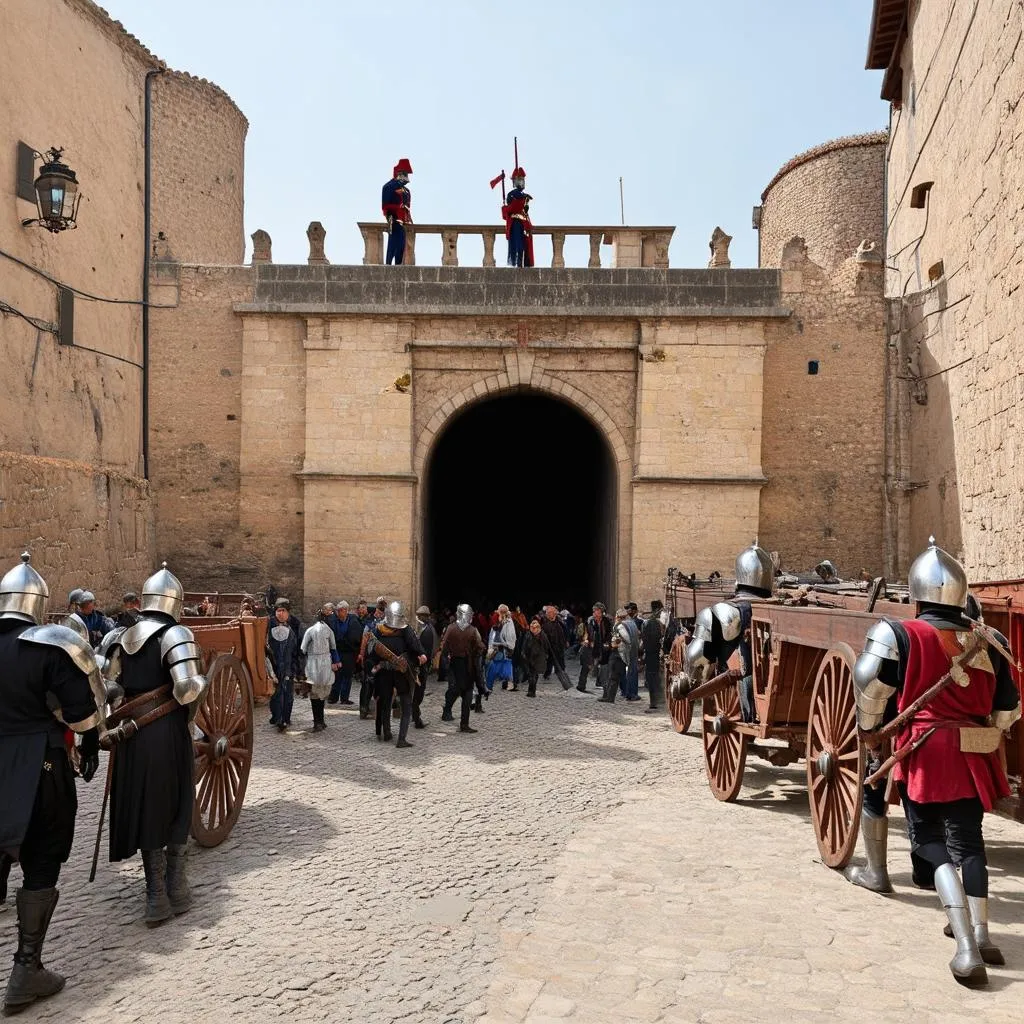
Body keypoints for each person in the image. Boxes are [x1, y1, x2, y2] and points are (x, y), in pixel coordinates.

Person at [848, 539, 1020, 986]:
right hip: (972, 752)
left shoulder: (899, 633)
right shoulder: (990, 639)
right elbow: (1008, 709)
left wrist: (870, 736)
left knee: (927, 841)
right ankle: (982, 933)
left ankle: (965, 946)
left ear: (916, 593)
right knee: (969, 844)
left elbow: (870, 688)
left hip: (924, 749)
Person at [0, 554, 105, 1015]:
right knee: (41, 863)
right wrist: (90, 742)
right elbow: (83, 716)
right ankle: (27, 968)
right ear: (38, 604)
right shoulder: (50, 645)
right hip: (37, 766)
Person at [98, 563, 208, 927]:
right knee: (175, 802)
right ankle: (175, 887)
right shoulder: (176, 634)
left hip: (132, 734)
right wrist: (201, 685)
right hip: (165, 731)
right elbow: (186, 690)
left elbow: (106, 687)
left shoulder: (117, 637)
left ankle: (155, 897)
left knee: (145, 805)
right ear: (174, 602)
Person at [677, 541, 775, 723]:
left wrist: (687, 683)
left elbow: (697, 656)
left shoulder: (724, 610)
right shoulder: (780, 610)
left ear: (740, 574)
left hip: (739, 684)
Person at [366, 602, 425, 748]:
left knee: (385, 702)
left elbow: (372, 651)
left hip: (384, 672)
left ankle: (387, 733)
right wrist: (421, 654)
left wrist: (373, 665)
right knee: (406, 704)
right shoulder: (405, 630)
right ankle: (401, 739)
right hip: (401, 672)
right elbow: (415, 646)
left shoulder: (379, 629)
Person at [440, 604, 485, 731]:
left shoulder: (450, 628)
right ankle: (463, 723)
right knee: (466, 692)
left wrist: (447, 658)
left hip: (454, 662)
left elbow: (443, 646)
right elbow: (480, 647)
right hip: (467, 663)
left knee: (459, 690)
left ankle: (448, 709)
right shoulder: (473, 630)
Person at [301, 606, 340, 732]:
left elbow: (303, 648)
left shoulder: (310, 630)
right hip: (326, 663)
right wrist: (336, 661)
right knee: (322, 692)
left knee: (315, 693)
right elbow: (334, 648)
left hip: (313, 663)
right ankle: (320, 720)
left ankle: (318, 721)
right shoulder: (329, 631)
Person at [266, 602, 300, 731]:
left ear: (288, 612)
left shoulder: (295, 624)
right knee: (276, 693)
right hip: (274, 664)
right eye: (278, 610)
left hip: (288, 664)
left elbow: (297, 650)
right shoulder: (268, 624)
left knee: (287, 693)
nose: (280, 613)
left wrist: (298, 668)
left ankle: (285, 717)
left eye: (283, 610)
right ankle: (277, 717)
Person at [358, 598, 387, 720]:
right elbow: (364, 640)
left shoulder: (383, 623)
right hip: (373, 657)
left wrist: (361, 654)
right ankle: (364, 708)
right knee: (368, 682)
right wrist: (361, 654)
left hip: (378, 657)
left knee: (370, 682)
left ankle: (368, 708)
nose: (378, 613)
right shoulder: (372, 624)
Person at [328, 601, 362, 705]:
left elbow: (356, 637)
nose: (338, 613)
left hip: (349, 652)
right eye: (338, 611)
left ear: (346, 611)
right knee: (336, 675)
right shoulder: (334, 621)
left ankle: (344, 698)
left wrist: (345, 642)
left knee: (347, 675)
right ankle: (333, 697)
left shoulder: (353, 621)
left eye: (341, 611)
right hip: (337, 651)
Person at [598, 609, 635, 703]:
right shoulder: (632, 624)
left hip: (619, 654)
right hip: (626, 653)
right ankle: (613, 696)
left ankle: (610, 698)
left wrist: (614, 644)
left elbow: (625, 638)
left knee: (613, 676)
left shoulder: (620, 626)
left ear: (618, 617)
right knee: (618, 676)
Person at [382, 158, 413, 265]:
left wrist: (408, 216)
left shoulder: (406, 191)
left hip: (404, 222)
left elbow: (407, 206)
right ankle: (388, 264)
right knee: (392, 246)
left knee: (401, 246)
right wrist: (397, 208)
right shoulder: (388, 186)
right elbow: (385, 206)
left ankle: (398, 265)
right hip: (393, 219)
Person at [502, 167, 534, 267]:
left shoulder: (524, 196)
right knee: (518, 244)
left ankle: (523, 262)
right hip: (516, 222)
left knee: (525, 245)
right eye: (519, 180)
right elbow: (511, 209)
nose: (521, 182)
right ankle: (518, 263)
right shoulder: (512, 195)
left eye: (522, 180)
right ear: (515, 181)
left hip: (524, 224)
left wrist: (525, 208)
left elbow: (523, 211)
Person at [580, 602, 612, 693]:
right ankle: (581, 685)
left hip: (603, 647)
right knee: (586, 665)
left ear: (602, 612)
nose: (595, 613)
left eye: (597, 611)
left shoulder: (607, 621)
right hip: (592, 646)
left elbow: (610, 633)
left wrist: (608, 643)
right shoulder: (590, 620)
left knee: (604, 666)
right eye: (594, 611)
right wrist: (586, 639)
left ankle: (604, 688)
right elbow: (585, 632)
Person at [413, 606, 436, 729]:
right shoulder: (426, 629)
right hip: (421, 666)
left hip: (420, 666)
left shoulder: (425, 630)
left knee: (417, 692)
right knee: (418, 693)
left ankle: (415, 716)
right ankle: (416, 719)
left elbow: (425, 650)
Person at [486, 604, 518, 692]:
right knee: (494, 667)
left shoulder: (509, 621)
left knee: (507, 665)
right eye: (501, 611)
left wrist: (509, 644)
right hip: (497, 649)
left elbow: (512, 634)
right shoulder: (495, 619)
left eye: (504, 611)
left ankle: (509, 683)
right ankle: (488, 686)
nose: (503, 613)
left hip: (505, 649)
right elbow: (493, 634)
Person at [540, 605, 572, 690]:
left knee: (561, 661)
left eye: (552, 613)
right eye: (549, 613)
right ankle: (547, 674)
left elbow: (566, 632)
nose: (551, 614)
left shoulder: (560, 622)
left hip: (559, 645)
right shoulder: (544, 624)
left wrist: (567, 641)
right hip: (550, 646)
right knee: (549, 661)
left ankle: (563, 676)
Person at [642, 600, 666, 712]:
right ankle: (657, 700)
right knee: (654, 677)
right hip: (655, 653)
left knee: (651, 677)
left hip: (650, 653)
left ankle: (653, 702)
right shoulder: (657, 623)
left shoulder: (647, 623)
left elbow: (644, 640)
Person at [519, 618, 552, 698]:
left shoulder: (541, 635)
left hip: (536, 657)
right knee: (533, 674)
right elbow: (525, 645)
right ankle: (531, 691)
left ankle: (531, 691)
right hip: (531, 657)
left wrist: (546, 655)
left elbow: (546, 646)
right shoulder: (530, 635)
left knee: (532, 674)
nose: (533, 629)